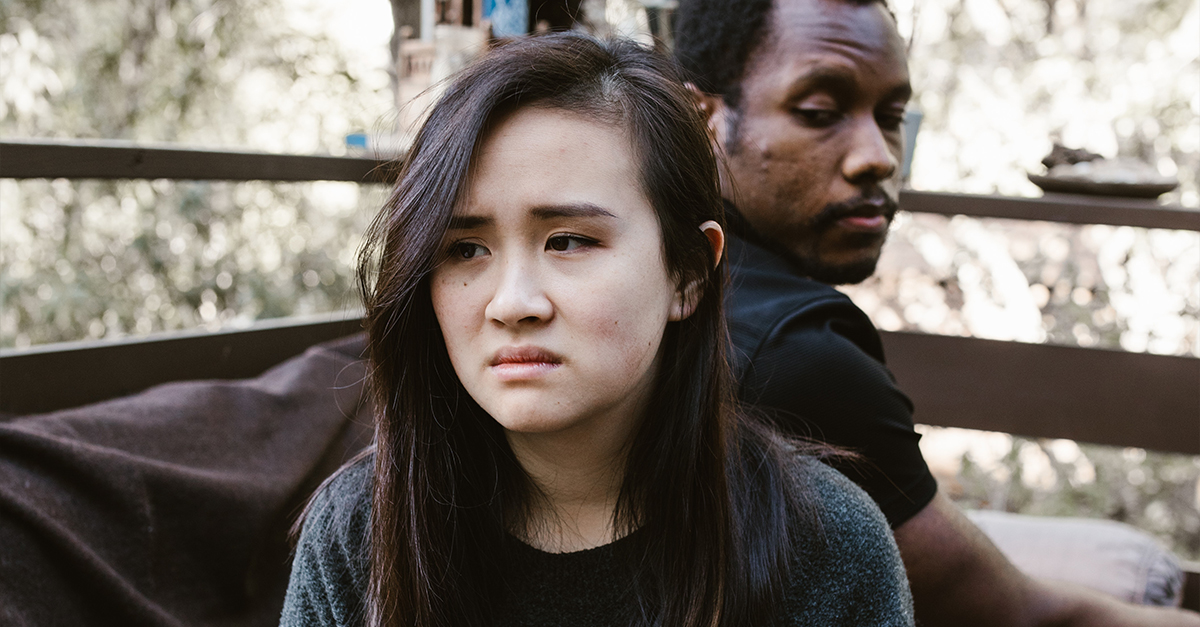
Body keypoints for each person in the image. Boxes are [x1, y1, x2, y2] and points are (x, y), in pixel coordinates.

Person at [280, 33, 913, 626]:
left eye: (568, 241)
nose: (512, 303)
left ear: (689, 273)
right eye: (466, 250)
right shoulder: (362, 532)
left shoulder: (827, 546)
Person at [673, 0, 1200, 625]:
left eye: (892, 116)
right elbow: (1014, 616)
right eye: (819, 113)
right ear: (705, 121)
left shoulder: (668, 270)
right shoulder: (798, 354)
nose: (879, 158)